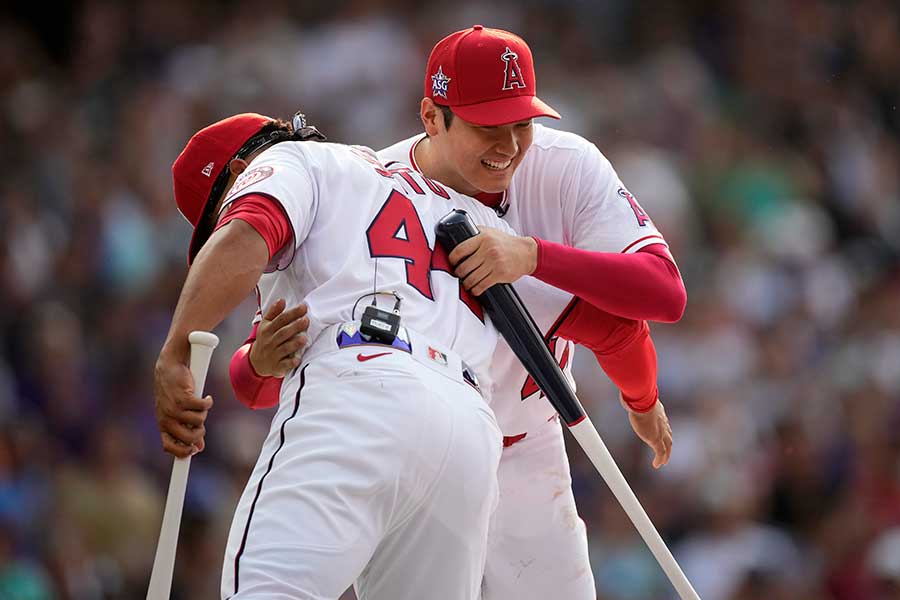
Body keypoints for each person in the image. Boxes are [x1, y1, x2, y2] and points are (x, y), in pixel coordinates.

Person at [230, 26, 686, 600]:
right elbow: (257, 382)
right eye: (487, 125)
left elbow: (660, 297)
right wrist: (261, 364)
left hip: (525, 441)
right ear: (432, 116)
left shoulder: (564, 166)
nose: (510, 144)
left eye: (522, 122)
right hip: (416, 426)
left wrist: (534, 256)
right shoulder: (370, 183)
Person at [154, 112, 525, 600]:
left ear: (245, 168)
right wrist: (261, 361)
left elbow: (247, 230)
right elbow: (255, 381)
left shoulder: (290, 160)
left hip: (362, 392)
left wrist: (175, 351)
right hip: (468, 429)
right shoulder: (454, 201)